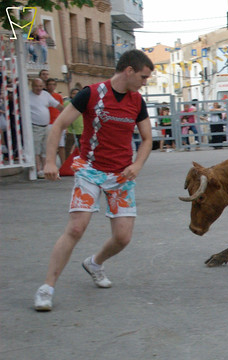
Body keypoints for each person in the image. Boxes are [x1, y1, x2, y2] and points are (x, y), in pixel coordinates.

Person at [34, 49, 154, 311]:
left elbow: (147, 139)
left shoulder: (137, 101)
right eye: (144, 77)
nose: (145, 82)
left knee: (123, 238)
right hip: (90, 170)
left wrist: (137, 164)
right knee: (76, 228)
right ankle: (47, 288)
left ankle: (95, 263)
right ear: (129, 70)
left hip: (121, 175)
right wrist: (51, 161)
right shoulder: (91, 93)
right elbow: (59, 125)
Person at [29, 78, 64, 178]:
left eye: (40, 86)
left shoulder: (45, 95)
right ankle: (38, 169)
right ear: (32, 86)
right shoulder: (28, 95)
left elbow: (56, 104)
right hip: (34, 125)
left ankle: (45, 169)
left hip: (46, 125)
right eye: (36, 86)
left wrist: (66, 112)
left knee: (46, 148)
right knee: (36, 149)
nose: (39, 88)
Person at [46, 78, 66, 164]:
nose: (51, 86)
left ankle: (63, 164)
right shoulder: (45, 95)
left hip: (58, 122)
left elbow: (62, 109)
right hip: (48, 123)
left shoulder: (58, 96)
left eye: (53, 84)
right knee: (51, 145)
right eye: (50, 84)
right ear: (46, 86)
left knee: (61, 145)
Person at [64, 88, 84, 156]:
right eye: (73, 93)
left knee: (81, 148)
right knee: (68, 148)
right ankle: (67, 163)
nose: (75, 95)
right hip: (70, 129)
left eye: (77, 93)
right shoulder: (67, 103)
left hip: (81, 129)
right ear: (70, 95)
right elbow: (63, 115)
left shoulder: (83, 102)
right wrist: (65, 127)